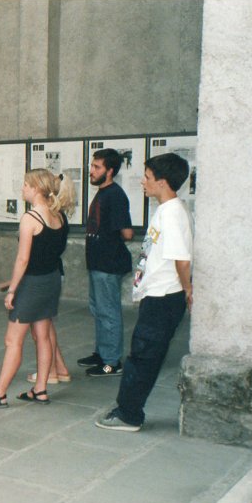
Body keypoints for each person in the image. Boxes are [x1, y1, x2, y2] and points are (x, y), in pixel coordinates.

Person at [96, 153, 192, 432]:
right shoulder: (167, 209)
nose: (142, 182)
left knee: (143, 356)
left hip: (164, 297)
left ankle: (129, 415)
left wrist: (188, 289)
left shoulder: (172, 213)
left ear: (162, 182)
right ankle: (128, 409)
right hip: (158, 294)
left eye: (147, 177)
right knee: (143, 354)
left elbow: (182, 259)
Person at [0, 169, 74, 409]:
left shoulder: (31, 218)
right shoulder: (59, 215)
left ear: (36, 188)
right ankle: (40, 389)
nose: (22, 189)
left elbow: (23, 259)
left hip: (32, 284)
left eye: (25, 185)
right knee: (43, 336)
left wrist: (12, 290)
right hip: (51, 280)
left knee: (12, 341)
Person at [78, 148, 134, 377]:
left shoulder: (115, 195)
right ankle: (102, 353)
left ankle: (111, 362)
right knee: (99, 310)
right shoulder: (102, 193)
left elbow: (127, 233)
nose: (91, 171)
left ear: (109, 171)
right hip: (97, 264)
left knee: (108, 312)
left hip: (109, 264)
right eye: (92, 166)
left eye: (97, 167)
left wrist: (110, 238)